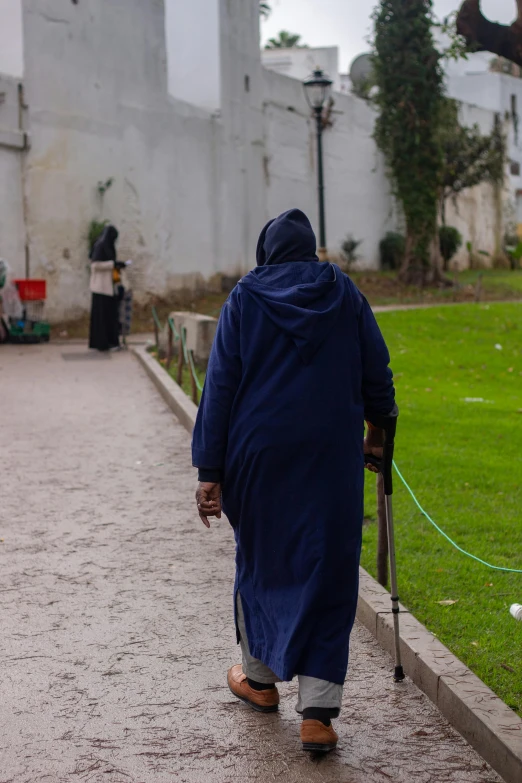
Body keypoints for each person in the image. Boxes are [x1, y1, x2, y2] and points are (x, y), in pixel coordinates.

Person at [192, 209, 396, 753]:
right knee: (328, 567)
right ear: (311, 251)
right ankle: (318, 715)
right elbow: (377, 372)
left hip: (258, 456)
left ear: (267, 252)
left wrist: (210, 472)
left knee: (262, 560)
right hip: (330, 454)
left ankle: (258, 681)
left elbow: (220, 389)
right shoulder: (344, 293)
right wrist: (377, 435)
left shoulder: (244, 296)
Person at [89, 225, 126, 352]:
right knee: (102, 318)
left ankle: (111, 342)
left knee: (110, 317)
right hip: (101, 288)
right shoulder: (100, 246)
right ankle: (102, 343)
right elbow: (95, 265)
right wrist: (112, 264)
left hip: (109, 287)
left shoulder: (109, 246)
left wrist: (119, 265)